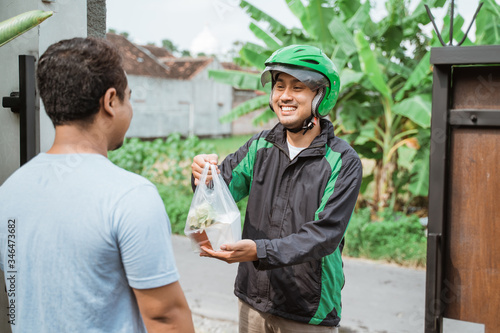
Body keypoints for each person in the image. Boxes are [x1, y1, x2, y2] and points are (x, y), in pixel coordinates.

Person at [0, 37, 194, 333]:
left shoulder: (10, 191)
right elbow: (165, 318)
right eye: (128, 98)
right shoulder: (130, 196)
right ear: (111, 101)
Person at [191, 44, 362, 332]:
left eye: (297, 87)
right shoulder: (260, 146)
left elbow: (324, 235)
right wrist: (204, 177)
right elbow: (221, 193)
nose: (284, 96)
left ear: (321, 96)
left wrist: (259, 251)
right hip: (252, 300)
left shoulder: (343, 161)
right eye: (279, 86)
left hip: (308, 310)